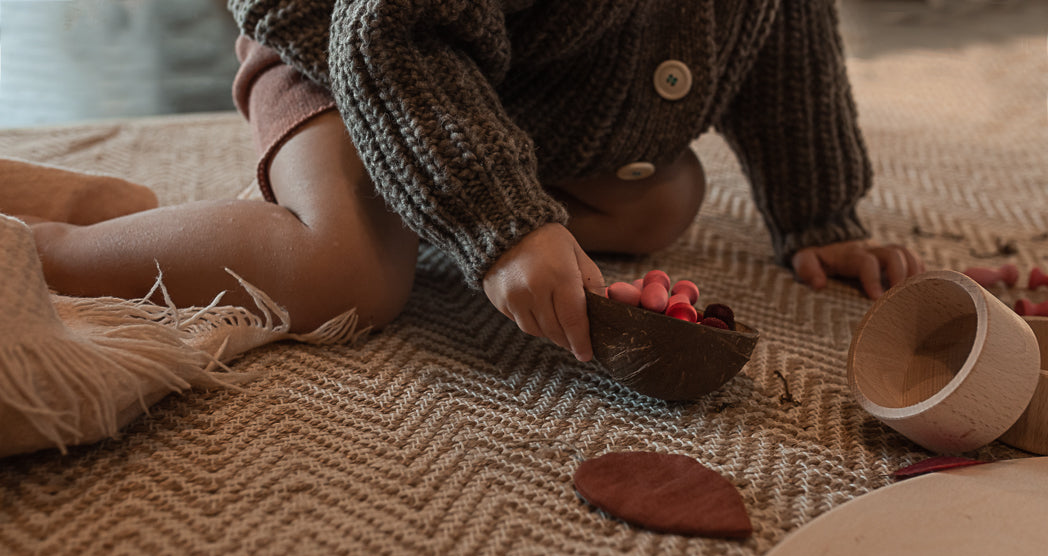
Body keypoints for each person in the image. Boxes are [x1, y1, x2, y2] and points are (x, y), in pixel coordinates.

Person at [28, 0, 923, 364]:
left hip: (517, 74)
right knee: (351, 272)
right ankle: (51, 243)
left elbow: (782, 31)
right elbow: (389, 36)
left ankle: (432, 187)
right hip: (350, 43)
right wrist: (500, 225)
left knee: (661, 197)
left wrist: (819, 212)